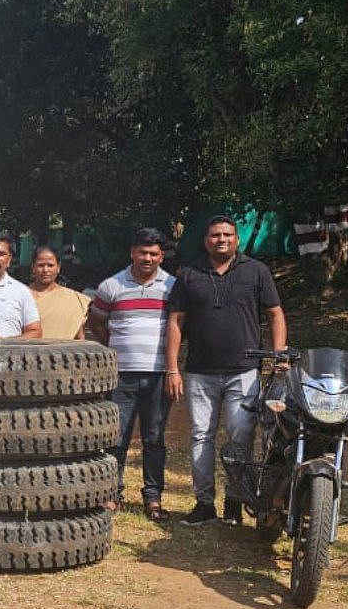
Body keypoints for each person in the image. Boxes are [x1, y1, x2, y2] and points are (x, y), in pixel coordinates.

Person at [165, 215, 287, 526]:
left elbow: (275, 314)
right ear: (206, 240)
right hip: (199, 372)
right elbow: (176, 322)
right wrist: (172, 368)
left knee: (240, 435)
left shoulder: (256, 271)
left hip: (244, 372)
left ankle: (236, 499)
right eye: (216, 235)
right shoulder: (189, 273)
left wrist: (279, 354)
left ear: (237, 239)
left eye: (228, 235)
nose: (222, 239)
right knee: (201, 436)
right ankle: (204, 503)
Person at [87, 228, 176, 521]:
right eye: (142, 252)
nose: (147, 258)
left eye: (153, 253)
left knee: (154, 438)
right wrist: (112, 347)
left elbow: (180, 327)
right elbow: (97, 321)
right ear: (132, 253)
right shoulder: (111, 285)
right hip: (120, 375)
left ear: (161, 256)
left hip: (158, 374)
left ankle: (153, 498)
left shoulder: (172, 286)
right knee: (117, 437)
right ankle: (112, 494)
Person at [28, 246, 90, 340]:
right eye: (40, 265)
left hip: (64, 354)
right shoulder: (20, 296)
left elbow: (79, 337)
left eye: (50, 265)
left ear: (58, 267)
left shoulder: (74, 299)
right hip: (28, 353)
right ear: (33, 267)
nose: (45, 270)